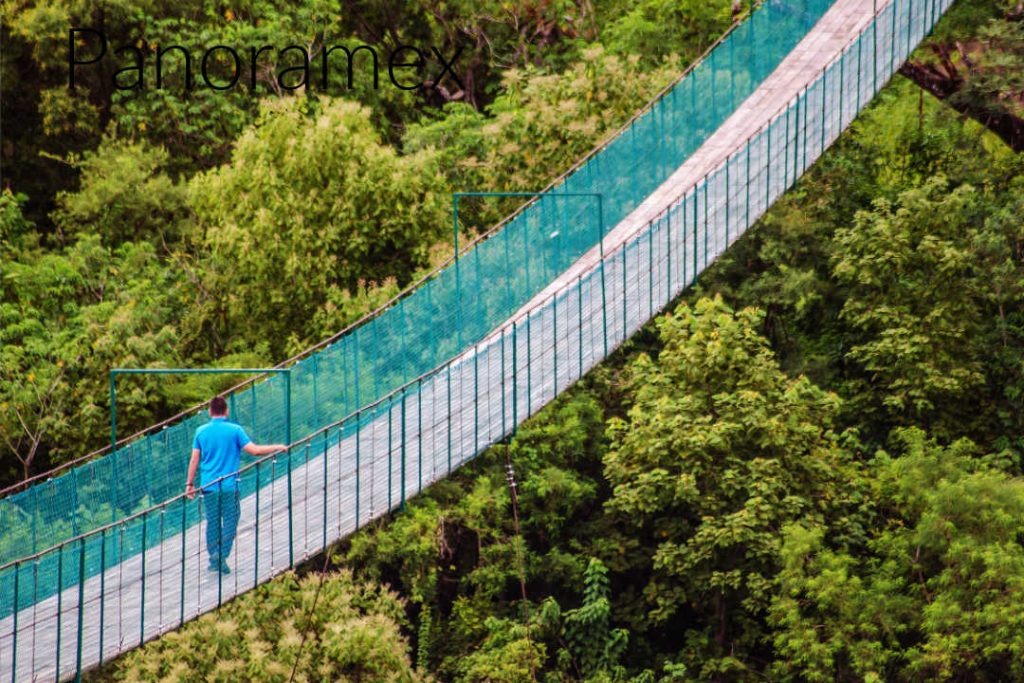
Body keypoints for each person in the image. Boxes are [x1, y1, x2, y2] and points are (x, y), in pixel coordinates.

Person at [185, 395, 286, 574]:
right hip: (230, 486)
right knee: (231, 520)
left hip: (209, 486)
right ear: (226, 411)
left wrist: (189, 484)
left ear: (209, 411)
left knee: (212, 522)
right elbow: (254, 451)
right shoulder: (235, 430)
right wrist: (277, 447)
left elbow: (194, 459)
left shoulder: (200, 431)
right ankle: (221, 555)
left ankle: (214, 557)